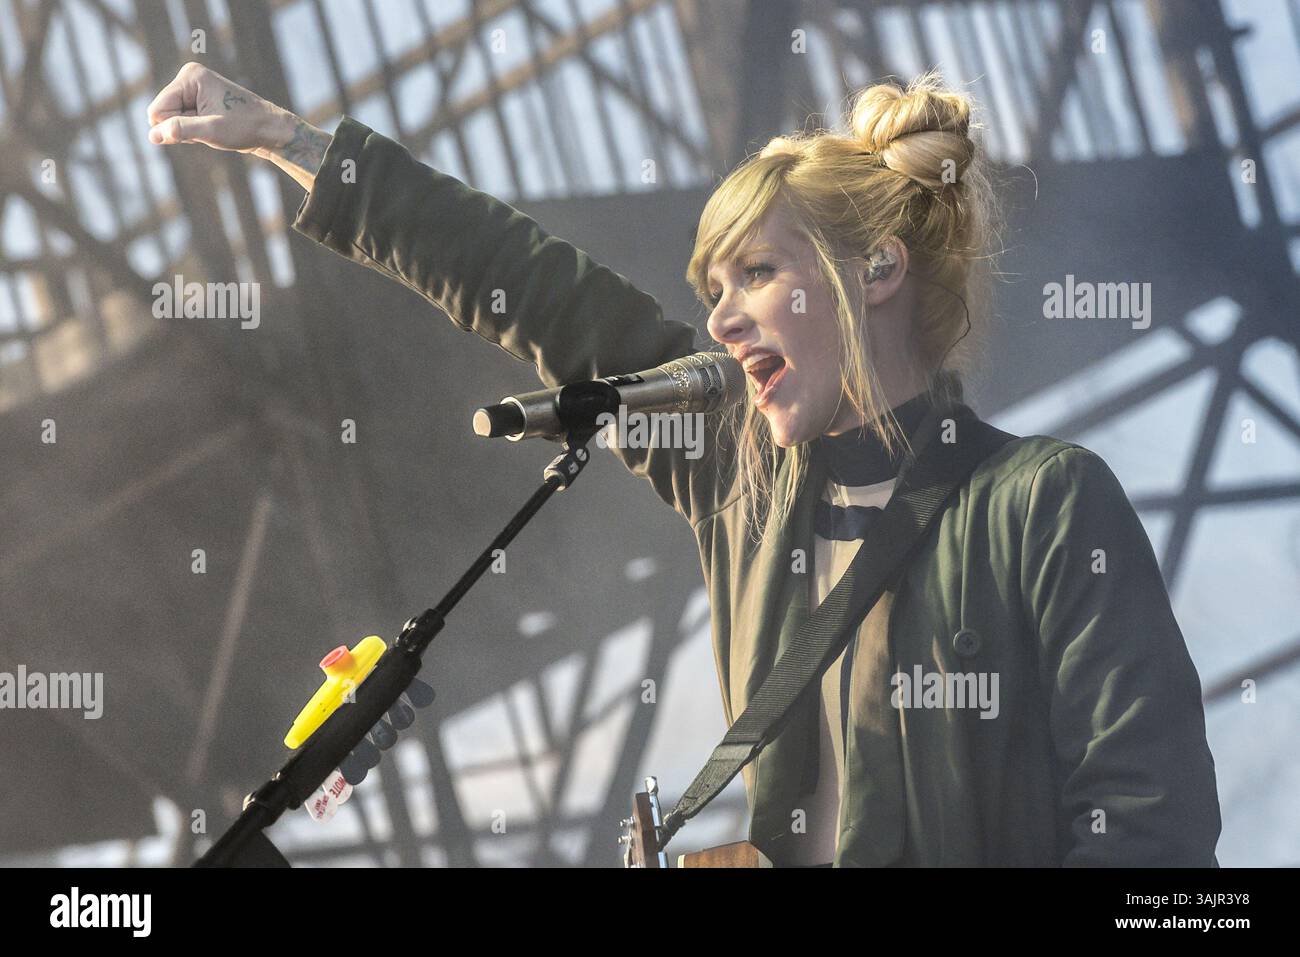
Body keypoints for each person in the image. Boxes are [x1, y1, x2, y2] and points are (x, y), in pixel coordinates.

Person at [148, 62, 1222, 867]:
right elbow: (529, 284)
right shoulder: (741, 483)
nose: (719, 317)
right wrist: (290, 140)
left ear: (878, 270)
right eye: (712, 285)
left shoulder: (1040, 503)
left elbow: (1157, 840)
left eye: (754, 272)